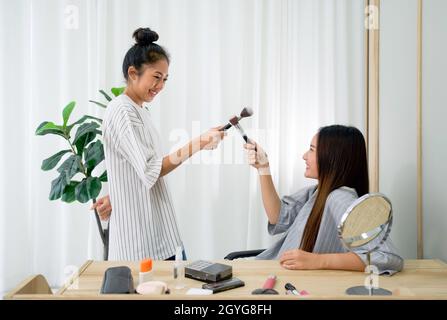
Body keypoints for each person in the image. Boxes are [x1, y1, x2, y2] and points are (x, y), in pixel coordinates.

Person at [99, 27, 225, 261]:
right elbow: (150, 170)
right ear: (133, 73)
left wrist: (116, 195)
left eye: (165, 79)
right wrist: (198, 142)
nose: (160, 86)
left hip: (160, 236)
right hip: (143, 245)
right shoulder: (123, 110)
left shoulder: (139, 111)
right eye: (156, 77)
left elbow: (134, 171)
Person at [245, 125, 403, 275]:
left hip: (286, 278)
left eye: (312, 150)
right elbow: (279, 217)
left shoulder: (340, 198)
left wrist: (318, 261)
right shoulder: (317, 192)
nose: (304, 156)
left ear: (333, 157)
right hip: (277, 271)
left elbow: (387, 258)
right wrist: (263, 167)